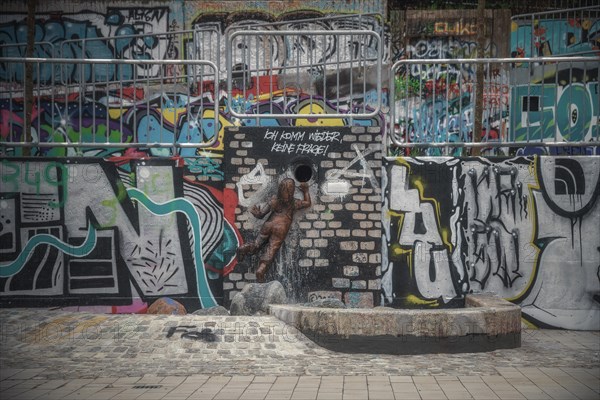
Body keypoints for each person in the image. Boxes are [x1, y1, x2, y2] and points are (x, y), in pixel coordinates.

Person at [237, 178, 311, 282]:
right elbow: (307, 203)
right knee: (271, 250)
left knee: (257, 243)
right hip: (281, 228)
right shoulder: (294, 203)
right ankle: (261, 270)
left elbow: (261, 214)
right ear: (293, 190)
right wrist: (305, 191)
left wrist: (256, 212)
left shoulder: (274, 200)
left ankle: (245, 248)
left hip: (269, 224)